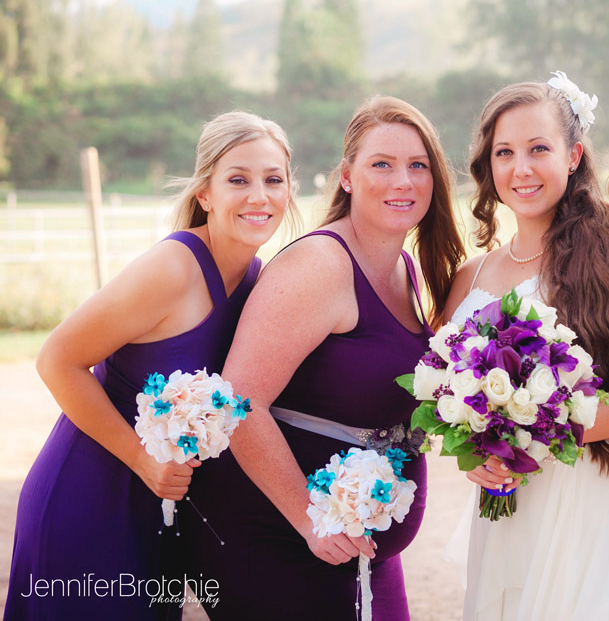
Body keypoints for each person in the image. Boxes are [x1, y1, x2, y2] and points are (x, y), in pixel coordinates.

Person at [180, 96, 465, 620]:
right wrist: (309, 518)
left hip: (360, 544)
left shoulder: (404, 266)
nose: (402, 180)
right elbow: (240, 402)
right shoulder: (320, 264)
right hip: (277, 535)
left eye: (417, 165)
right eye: (382, 164)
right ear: (348, 177)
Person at [4, 110, 297, 619]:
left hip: (164, 512)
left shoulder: (259, 281)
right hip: (93, 493)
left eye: (274, 179)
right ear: (205, 194)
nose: (259, 196)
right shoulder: (173, 268)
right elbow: (57, 360)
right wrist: (142, 459)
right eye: (238, 180)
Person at [442, 73, 609, 620]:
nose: (522, 168)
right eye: (505, 152)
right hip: (511, 511)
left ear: (573, 155)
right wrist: (475, 456)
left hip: (606, 501)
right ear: (489, 166)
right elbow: (440, 402)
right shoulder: (470, 277)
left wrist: (543, 431)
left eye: (539, 149)